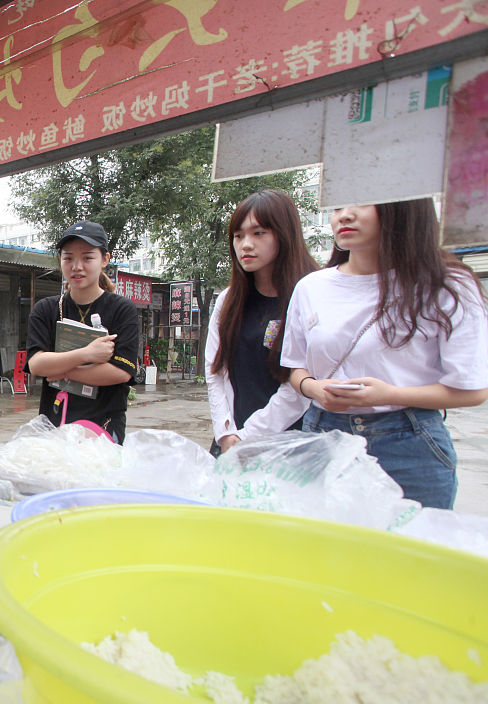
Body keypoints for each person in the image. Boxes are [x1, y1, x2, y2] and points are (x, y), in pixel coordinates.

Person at [281, 199, 488, 508]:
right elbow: (294, 367)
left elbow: (472, 391)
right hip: (324, 436)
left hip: (410, 442)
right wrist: (314, 388)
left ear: (403, 208)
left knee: (412, 551)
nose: (345, 215)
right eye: (337, 206)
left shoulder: (447, 285)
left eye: (362, 203)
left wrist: (389, 394)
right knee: (328, 551)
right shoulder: (312, 287)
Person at [205, 189, 318, 455]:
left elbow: (299, 386)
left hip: (289, 446)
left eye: (258, 233)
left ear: (284, 233)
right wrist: (226, 432)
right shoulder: (228, 300)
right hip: (231, 442)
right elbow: (215, 372)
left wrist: (248, 436)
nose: (245, 244)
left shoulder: (310, 295)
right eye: (238, 235)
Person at [26, 220, 140, 442]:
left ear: (105, 259)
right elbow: (36, 364)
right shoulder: (46, 309)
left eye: (87, 257)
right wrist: (87, 355)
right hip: (54, 425)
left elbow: (120, 372)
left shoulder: (122, 309)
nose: (76, 266)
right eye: (68, 258)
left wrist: (62, 371)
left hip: (104, 429)